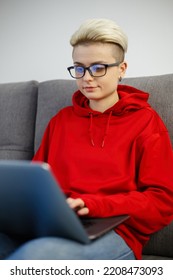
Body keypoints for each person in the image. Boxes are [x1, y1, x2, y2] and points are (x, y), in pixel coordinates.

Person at [3, 18, 173, 260]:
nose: (87, 77)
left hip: (114, 231)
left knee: (35, 256)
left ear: (122, 69)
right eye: (79, 68)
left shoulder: (146, 122)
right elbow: (34, 185)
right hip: (54, 225)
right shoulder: (61, 120)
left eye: (98, 67)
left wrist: (93, 204)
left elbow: (161, 202)